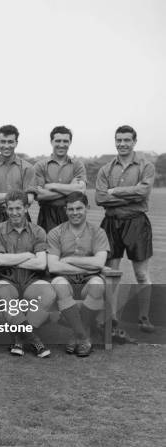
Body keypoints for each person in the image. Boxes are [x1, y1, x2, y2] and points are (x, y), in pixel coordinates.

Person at [95, 125, 155, 333]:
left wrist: (116, 192)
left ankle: (144, 318)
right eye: (119, 140)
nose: (122, 144)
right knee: (111, 273)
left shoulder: (146, 166)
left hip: (137, 222)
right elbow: (100, 198)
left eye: (126, 140)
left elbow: (142, 193)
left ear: (134, 142)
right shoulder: (105, 169)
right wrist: (126, 195)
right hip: (111, 223)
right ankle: (111, 319)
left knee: (141, 274)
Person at [0, 190, 56, 358]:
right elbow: (0, 261)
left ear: (26, 208)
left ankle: (19, 338)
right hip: (6, 279)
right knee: (4, 294)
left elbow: (41, 263)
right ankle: (34, 340)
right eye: (10, 209)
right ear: (6, 209)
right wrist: (28, 255)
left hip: (31, 280)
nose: (14, 213)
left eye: (18, 208)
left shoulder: (38, 231)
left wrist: (11, 258)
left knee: (48, 293)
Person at [48, 192, 110, 357]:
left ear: (87, 208)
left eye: (79, 208)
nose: (75, 212)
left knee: (97, 286)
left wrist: (68, 260)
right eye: (71, 209)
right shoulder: (56, 232)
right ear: (65, 210)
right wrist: (86, 267)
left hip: (89, 280)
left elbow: (99, 263)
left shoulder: (98, 232)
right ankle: (83, 337)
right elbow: (53, 266)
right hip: (64, 278)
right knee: (60, 286)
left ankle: (76, 335)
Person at [0, 125, 36, 229]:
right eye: (3, 141)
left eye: (10, 142)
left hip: (20, 217)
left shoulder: (28, 168)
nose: (6, 146)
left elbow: (29, 198)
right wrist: (18, 196)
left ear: (16, 143)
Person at [34, 126, 86, 233]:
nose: (61, 145)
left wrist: (52, 186)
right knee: (49, 248)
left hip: (72, 213)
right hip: (47, 215)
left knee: (72, 249)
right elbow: (38, 195)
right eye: (58, 141)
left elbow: (81, 191)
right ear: (51, 142)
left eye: (65, 141)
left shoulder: (78, 165)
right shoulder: (40, 166)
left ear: (70, 142)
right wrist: (70, 189)